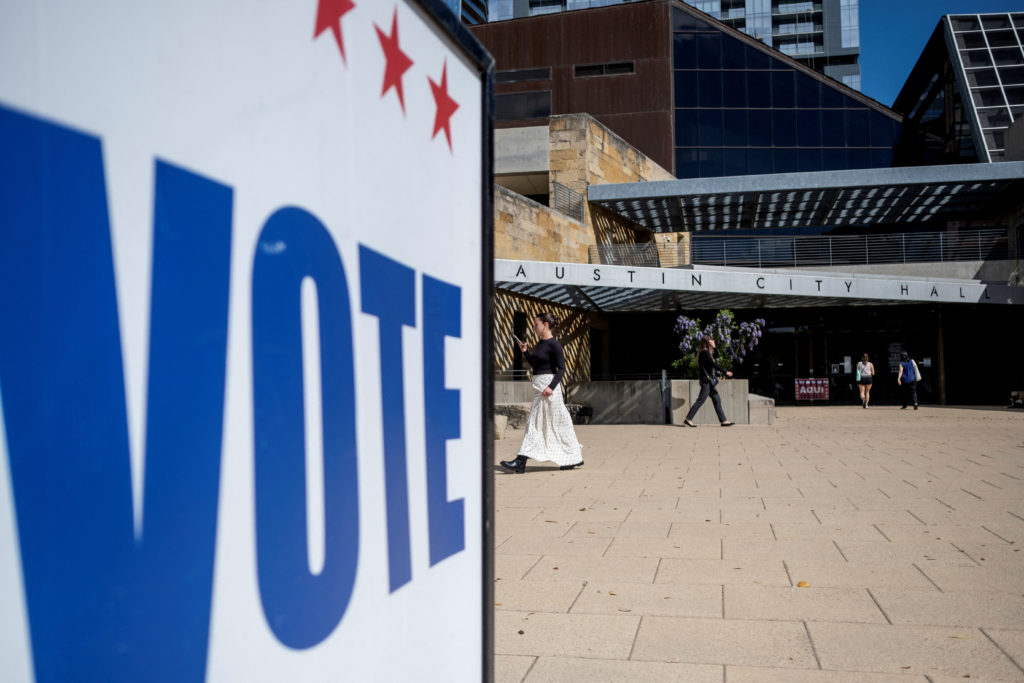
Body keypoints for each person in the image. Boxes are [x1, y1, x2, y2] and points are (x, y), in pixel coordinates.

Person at [500, 313, 583, 474]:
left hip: (548, 391)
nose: (533, 327)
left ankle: (520, 461)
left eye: (536, 324)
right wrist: (525, 352)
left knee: (537, 424)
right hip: (540, 388)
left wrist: (551, 387)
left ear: (545, 324)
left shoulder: (554, 345)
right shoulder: (540, 344)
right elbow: (536, 365)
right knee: (556, 424)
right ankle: (574, 457)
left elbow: (561, 369)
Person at [682, 337, 735, 427]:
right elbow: (713, 364)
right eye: (712, 340)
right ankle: (688, 419)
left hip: (709, 382)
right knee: (701, 400)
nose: (714, 341)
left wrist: (714, 347)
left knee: (716, 399)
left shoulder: (707, 352)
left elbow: (717, 356)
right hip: (706, 381)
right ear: (708, 342)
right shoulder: (704, 352)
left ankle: (723, 421)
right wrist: (725, 372)